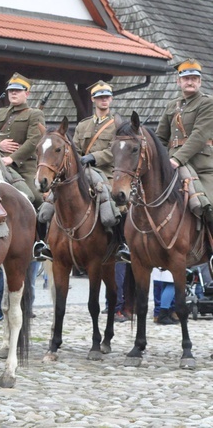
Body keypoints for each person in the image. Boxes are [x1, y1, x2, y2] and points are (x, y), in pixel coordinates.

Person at [73, 81, 130, 321]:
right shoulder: (84, 125)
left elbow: (117, 152)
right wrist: (78, 159)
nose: (103, 101)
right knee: (54, 199)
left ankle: (122, 243)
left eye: (107, 97)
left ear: (111, 100)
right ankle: (47, 244)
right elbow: (74, 147)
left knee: (116, 203)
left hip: (108, 174)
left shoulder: (118, 124)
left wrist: (92, 157)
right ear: (94, 100)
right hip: (82, 172)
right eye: (99, 97)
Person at [0, 72, 45, 309]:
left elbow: (34, 142)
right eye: (11, 90)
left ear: (27, 93)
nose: (13, 94)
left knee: (33, 197)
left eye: (18, 90)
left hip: (23, 169)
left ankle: (39, 242)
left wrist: (11, 158)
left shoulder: (35, 114)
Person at [156, 58, 213, 233]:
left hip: (200, 167)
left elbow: (200, 135)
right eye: (186, 78)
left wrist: (176, 159)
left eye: (194, 79)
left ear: (200, 82)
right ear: (178, 81)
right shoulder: (172, 105)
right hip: (171, 165)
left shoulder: (207, 103)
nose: (190, 82)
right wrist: (159, 160)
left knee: (208, 205)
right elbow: (160, 138)